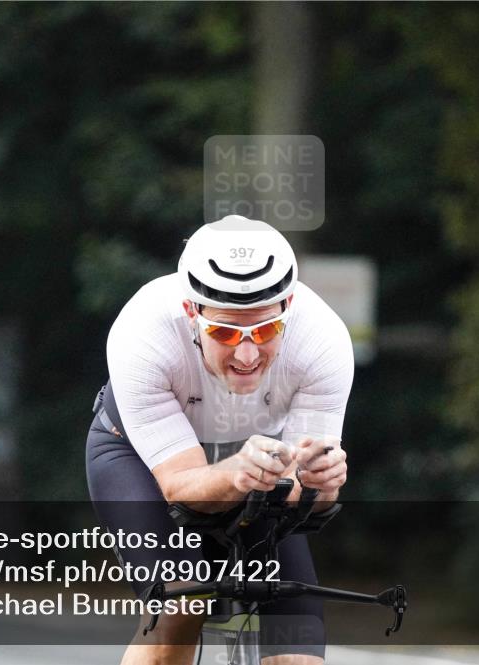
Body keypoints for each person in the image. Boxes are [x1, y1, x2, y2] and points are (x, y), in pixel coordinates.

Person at [86, 215, 354, 665]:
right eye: (225, 332)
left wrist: (320, 484)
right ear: (192, 311)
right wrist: (237, 474)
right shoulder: (142, 332)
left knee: (297, 649)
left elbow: (307, 500)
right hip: (140, 459)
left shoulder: (321, 339)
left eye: (265, 331)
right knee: (180, 606)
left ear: (288, 306)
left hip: (262, 465)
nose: (247, 355)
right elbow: (180, 487)